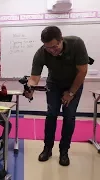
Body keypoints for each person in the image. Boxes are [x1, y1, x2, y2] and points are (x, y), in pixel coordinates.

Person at [25, 26, 88, 166]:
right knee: (51, 114)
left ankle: (64, 151)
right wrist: (30, 88)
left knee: (69, 116)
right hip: (54, 84)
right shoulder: (41, 53)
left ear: (61, 39)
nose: (52, 51)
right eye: (48, 48)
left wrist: (71, 93)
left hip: (74, 83)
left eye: (55, 47)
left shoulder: (76, 44)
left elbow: (82, 71)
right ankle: (47, 149)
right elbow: (34, 77)